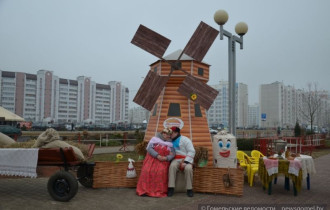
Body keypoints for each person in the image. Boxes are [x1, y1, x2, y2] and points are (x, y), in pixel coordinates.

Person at [136, 128, 175, 197]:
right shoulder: (154, 140)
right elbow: (149, 149)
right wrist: (157, 155)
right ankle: (144, 190)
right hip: (152, 159)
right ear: (162, 133)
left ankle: (158, 191)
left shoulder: (170, 144)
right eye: (166, 134)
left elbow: (173, 154)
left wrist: (166, 158)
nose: (168, 136)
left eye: (169, 135)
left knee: (160, 172)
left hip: (163, 161)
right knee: (147, 171)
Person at [167, 126, 195, 197]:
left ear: (177, 133)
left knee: (188, 169)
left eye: (172, 133)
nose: (170, 134)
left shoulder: (186, 140)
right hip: (176, 159)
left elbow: (191, 151)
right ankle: (171, 188)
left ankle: (189, 189)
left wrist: (185, 162)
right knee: (172, 166)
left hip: (186, 159)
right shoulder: (169, 140)